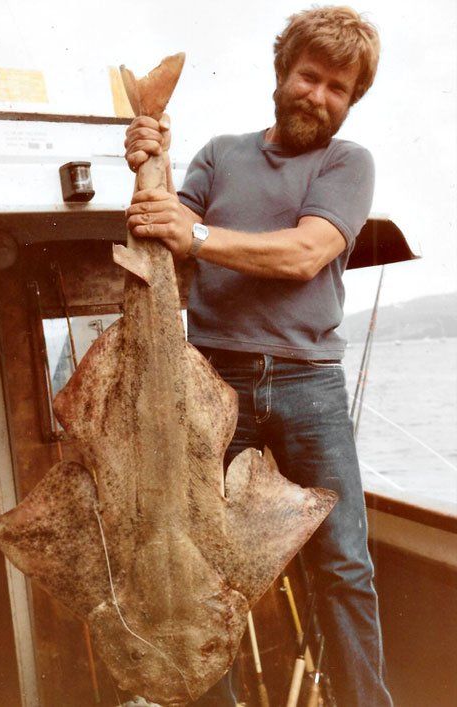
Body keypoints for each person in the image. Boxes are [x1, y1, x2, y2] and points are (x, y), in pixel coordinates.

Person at [124, 7, 391, 707]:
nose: (318, 95)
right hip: (216, 386)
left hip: (311, 386)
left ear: (351, 99)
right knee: (198, 564)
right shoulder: (217, 154)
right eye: (309, 76)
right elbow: (161, 238)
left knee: (343, 566)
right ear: (282, 72)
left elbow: (307, 253)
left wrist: (201, 237)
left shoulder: (347, 163)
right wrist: (147, 156)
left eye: (339, 88)